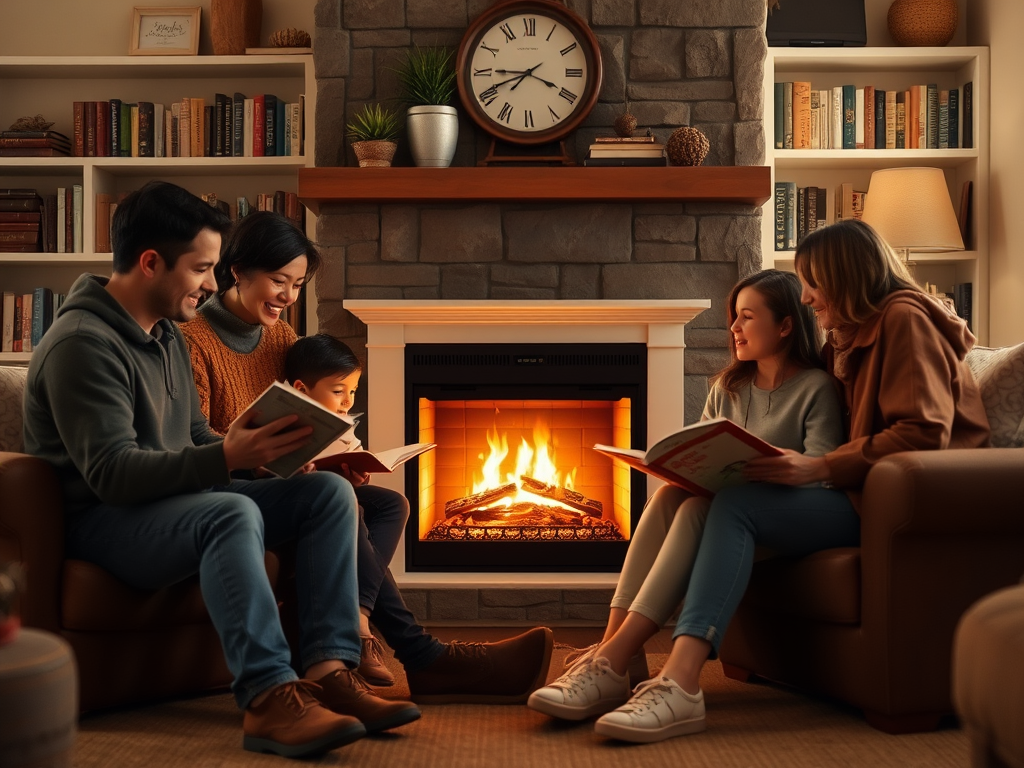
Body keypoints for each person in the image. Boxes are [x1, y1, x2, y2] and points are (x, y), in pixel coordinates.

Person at [533, 220, 992, 744]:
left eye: (812, 282)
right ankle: (617, 658)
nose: (808, 296)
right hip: (860, 493)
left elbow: (922, 432)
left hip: (900, 504)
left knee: (734, 505)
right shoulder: (850, 337)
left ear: (844, 275)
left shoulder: (903, 320)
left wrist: (816, 466)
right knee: (680, 498)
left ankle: (676, 683)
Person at [21, 181, 423, 760]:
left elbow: (196, 439)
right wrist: (227, 458)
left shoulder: (161, 337)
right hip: (108, 522)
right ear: (151, 262)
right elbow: (111, 475)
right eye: (203, 268)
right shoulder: (83, 344)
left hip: (174, 505)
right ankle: (267, 699)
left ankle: (330, 672)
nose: (212, 283)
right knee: (228, 511)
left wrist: (268, 458)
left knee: (328, 494)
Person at [179, 211, 554, 704]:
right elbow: (197, 441)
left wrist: (326, 456)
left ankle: (376, 629)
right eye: (278, 282)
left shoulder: (284, 339)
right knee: (339, 503)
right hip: (234, 488)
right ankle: (421, 655)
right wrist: (266, 460)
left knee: (387, 504)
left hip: (284, 479)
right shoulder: (192, 341)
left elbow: (308, 418)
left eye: (298, 284)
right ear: (237, 271)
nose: (289, 298)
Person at [527, 267, 847, 738]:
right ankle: (617, 651)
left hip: (789, 516)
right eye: (732, 318)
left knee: (708, 507)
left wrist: (787, 464)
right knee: (673, 497)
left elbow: (822, 470)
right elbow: (703, 452)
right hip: (730, 514)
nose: (734, 328)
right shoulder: (728, 389)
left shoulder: (815, 388)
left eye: (747, 317)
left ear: (784, 326)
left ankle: (616, 663)